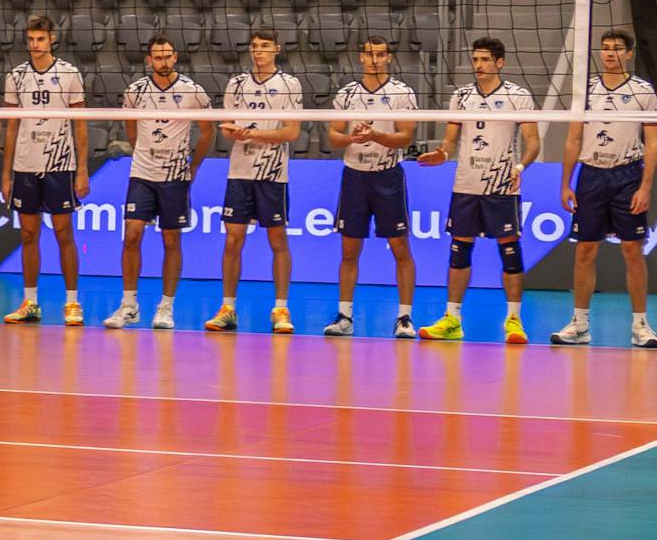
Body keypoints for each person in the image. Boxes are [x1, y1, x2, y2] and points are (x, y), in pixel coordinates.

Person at [556, 29, 657, 349]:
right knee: (585, 250)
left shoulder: (643, 91)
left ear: (629, 53)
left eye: (617, 48)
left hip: (627, 174)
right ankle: (579, 324)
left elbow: (653, 142)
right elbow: (573, 139)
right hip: (591, 175)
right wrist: (565, 183)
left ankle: (641, 325)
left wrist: (645, 186)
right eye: (605, 48)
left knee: (632, 249)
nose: (609, 54)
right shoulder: (586, 90)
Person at [421, 35, 536, 343]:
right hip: (466, 184)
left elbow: (533, 143)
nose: (479, 65)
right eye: (475, 60)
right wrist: (441, 154)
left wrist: (520, 167)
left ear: (500, 62)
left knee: (509, 251)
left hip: (502, 184)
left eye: (485, 59)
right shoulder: (461, 96)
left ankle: (514, 321)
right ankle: (452, 319)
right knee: (459, 250)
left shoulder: (518, 96)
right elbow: (449, 141)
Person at [322, 37, 424, 339]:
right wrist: (352, 139)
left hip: (387, 175)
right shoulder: (347, 94)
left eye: (380, 54)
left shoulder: (402, 93)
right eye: (369, 54)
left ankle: (404, 318)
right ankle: (345, 316)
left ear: (389, 57)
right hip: (355, 176)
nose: (374, 59)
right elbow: (333, 136)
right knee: (349, 249)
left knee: (400, 247)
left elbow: (406, 137)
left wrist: (375, 135)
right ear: (361, 57)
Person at [207, 30, 304, 336]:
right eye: (254, 47)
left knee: (277, 240)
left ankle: (281, 309)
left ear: (277, 49)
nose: (259, 51)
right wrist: (235, 132)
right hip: (240, 171)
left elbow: (291, 132)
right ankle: (227, 308)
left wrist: (252, 134)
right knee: (233, 240)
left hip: (272, 173)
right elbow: (226, 130)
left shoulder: (289, 84)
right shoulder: (236, 83)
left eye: (265, 46)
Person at [114, 36, 208, 331]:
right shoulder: (135, 91)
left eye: (167, 56)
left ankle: (166, 306)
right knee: (132, 234)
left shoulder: (192, 91)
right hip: (142, 172)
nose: (163, 62)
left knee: (171, 240)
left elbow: (208, 132)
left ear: (175, 57)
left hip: (175, 175)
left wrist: (193, 166)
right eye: (158, 57)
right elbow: (131, 130)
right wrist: (142, 153)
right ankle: (129, 305)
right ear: (149, 60)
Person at [0, 15, 87, 326]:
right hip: (25, 165)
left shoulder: (69, 74)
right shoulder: (16, 76)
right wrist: (6, 175)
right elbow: (11, 128)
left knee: (63, 232)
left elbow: (80, 125)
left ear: (52, 39)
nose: (35, 44)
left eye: (40, 39)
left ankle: (72, 302)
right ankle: (30, 302)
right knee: (28, 234)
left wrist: (82, 170)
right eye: (31, 39)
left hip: (60, 165)